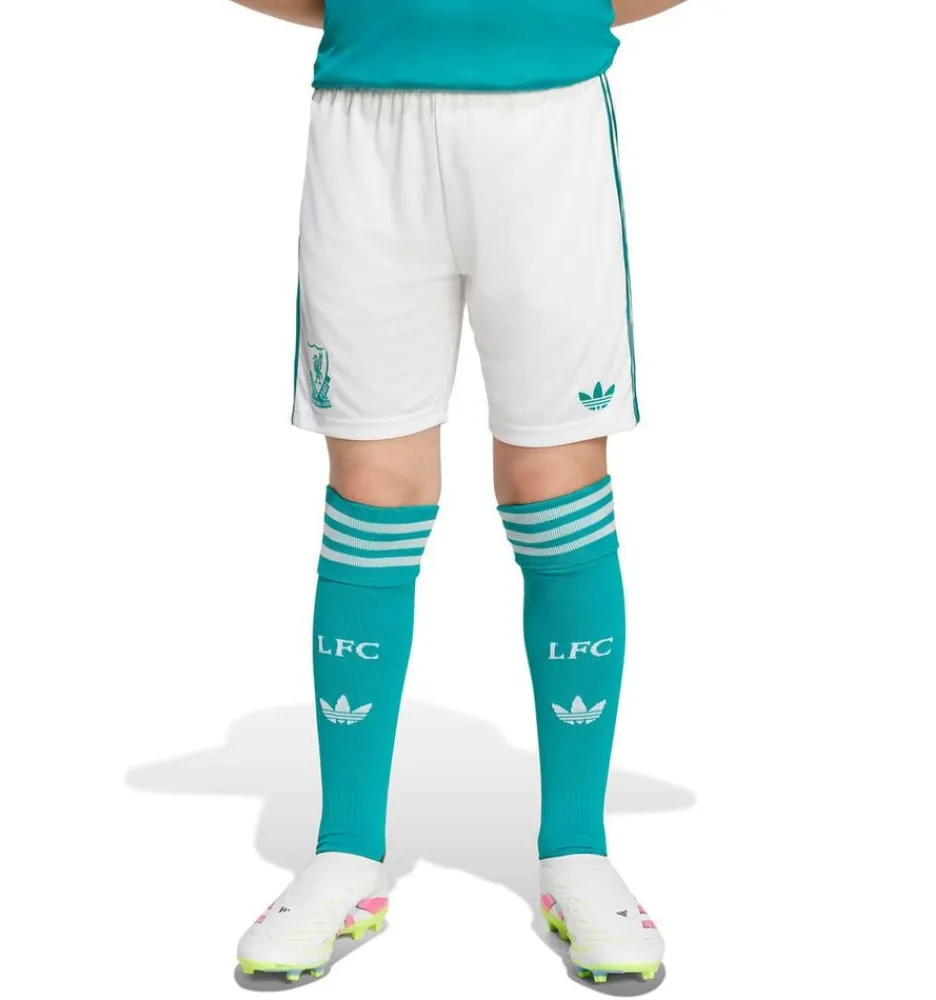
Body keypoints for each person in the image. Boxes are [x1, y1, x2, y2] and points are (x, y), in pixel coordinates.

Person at [232, 0, 688, 984]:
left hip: (544, 118)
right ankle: (347, 854)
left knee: (555, 478)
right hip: (369, 129)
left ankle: (577, 849)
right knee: (373, 488)